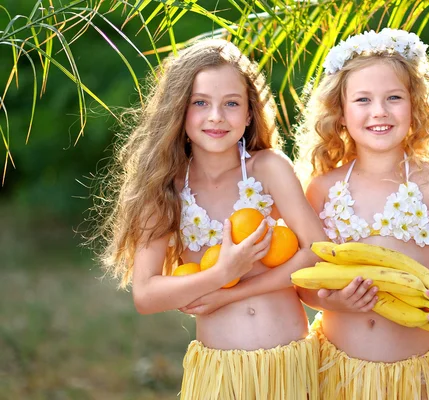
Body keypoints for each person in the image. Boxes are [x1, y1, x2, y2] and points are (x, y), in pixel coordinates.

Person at [92, 39, 325, 400]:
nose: (216, 116)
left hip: (289, 365)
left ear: (249, 114)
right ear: (178, 112)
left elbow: (317, 251)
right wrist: (220, 275)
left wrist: (236, 289)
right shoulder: (166, 187)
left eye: (231, 103)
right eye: (200, 103)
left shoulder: (269, 169)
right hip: (220, 373)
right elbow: (145, 294)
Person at [294, 28, 429, 399]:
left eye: (394, 98)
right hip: (337, 370)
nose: (379, 111)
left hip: (417, 372)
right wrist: (331, 300)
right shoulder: (321, 188)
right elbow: (303, 279)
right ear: (341, 112)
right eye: (363, 100)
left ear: (416, 105)